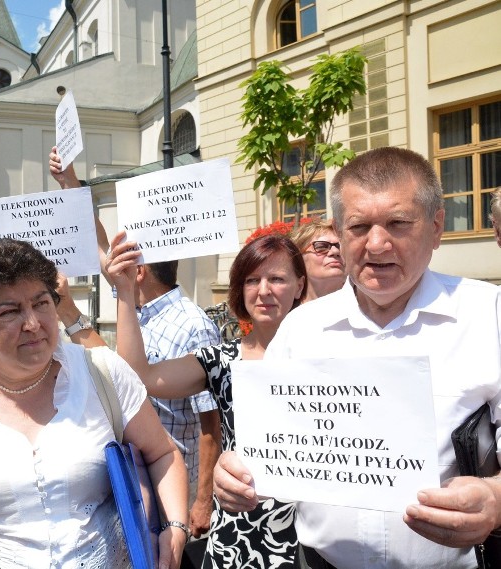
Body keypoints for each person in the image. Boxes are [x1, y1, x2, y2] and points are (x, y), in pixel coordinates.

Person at [213, 147, 501, 569]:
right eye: (359, 226)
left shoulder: (489, 316)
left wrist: (494, 499)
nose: (377, 243)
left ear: (436, 228)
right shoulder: (300, 329)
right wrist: (232, 475)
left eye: (398, 224)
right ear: (340, 234)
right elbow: (262, 450)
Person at [0, 238, 190, 569]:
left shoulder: (102, 373)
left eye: (41, 303)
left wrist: (175, 527)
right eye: (10, 311)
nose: (33, 323)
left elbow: (163, 454)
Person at [49, 146, 222, 544]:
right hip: (137, 472)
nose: (112, 263)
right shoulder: (137, 308)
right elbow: (97, 246)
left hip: (173, 479)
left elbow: (211, 424)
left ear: (138, 271)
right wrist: (70, 184)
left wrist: (202, 501)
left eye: (123, 260)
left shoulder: (192, 324)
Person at [106, 233, 307, 568]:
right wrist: (126, 293)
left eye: (277, 279)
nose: (264, 290)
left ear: (300, 286)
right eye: (252, 280)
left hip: (306, 533)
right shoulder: (220, 360)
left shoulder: (327, 360)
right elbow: (139, 375)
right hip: (236, 531)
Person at [288, 218, 346, 301]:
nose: (335, 251)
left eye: (340, 246)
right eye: (322, 247)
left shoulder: (366, 309)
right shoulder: (284, 311)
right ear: (300, 258)